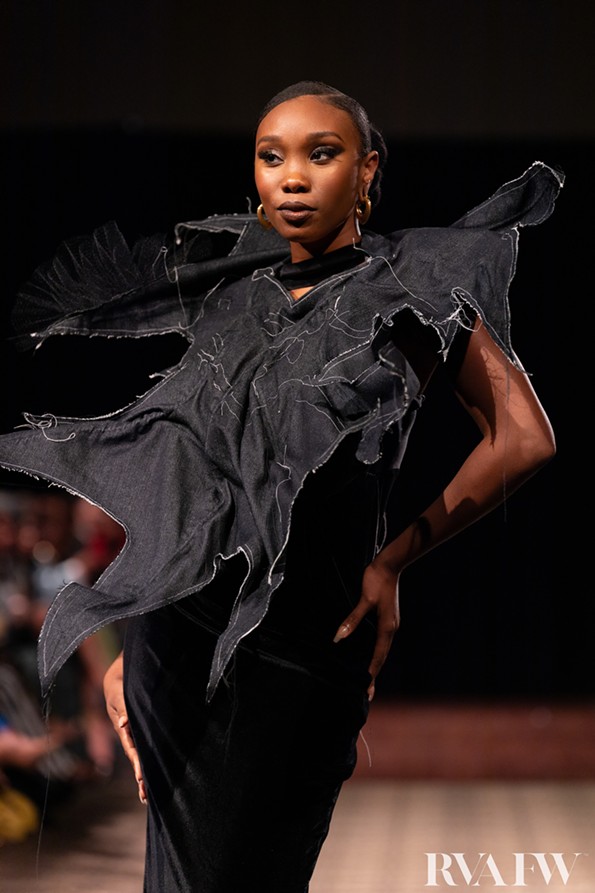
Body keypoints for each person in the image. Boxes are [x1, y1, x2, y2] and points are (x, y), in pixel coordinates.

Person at [0, 81, 562, 891]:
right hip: (173, 641)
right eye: (272, 157)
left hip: (303, 645)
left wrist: (394, 561)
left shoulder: (416, 282)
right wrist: (129, 616)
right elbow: (185, 475)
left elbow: (524, 437)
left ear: (367, 170)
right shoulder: (231, 295)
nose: (292, 176)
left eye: (320, 154)